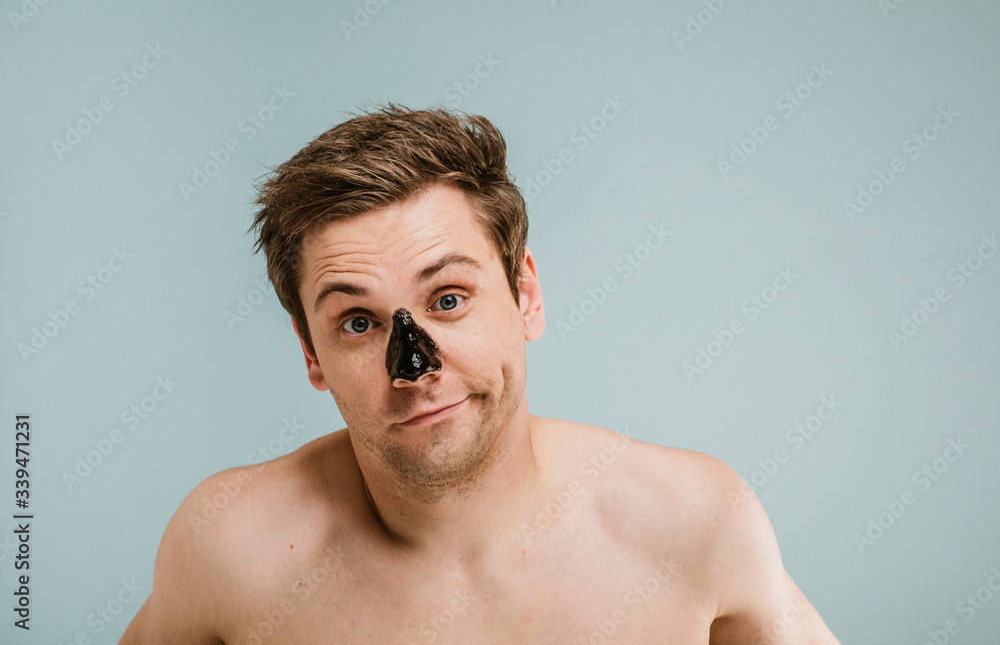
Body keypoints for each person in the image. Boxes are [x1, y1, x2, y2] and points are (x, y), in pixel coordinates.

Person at [121, 105, 840, 644]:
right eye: (359, 322)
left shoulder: (691, 522)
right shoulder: (228, 546)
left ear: (526, 293)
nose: (415, 368)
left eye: (449, 299)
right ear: (311, 351)